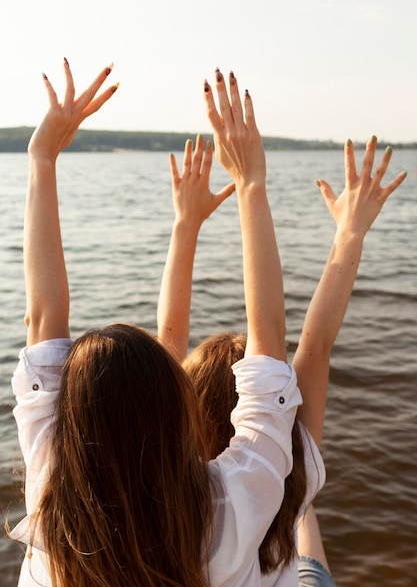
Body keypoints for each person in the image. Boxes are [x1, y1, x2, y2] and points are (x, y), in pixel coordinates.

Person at [10, 61, 302, 587]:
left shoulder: (53, 511)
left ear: (72, 426)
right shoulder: (230, 512)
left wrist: (40, 157)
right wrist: (251, 184)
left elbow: (42, 315)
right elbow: (270, 349)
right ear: (180, 409)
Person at [157, 71, 407, 586]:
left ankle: (297, 490)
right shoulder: (249, 480)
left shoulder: (173, 510)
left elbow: (167, 345)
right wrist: (350, 231)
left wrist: (187, 224)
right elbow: (312, 347)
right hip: (285, 562)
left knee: (294, 487)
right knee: (295, 498)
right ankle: (297, 492)